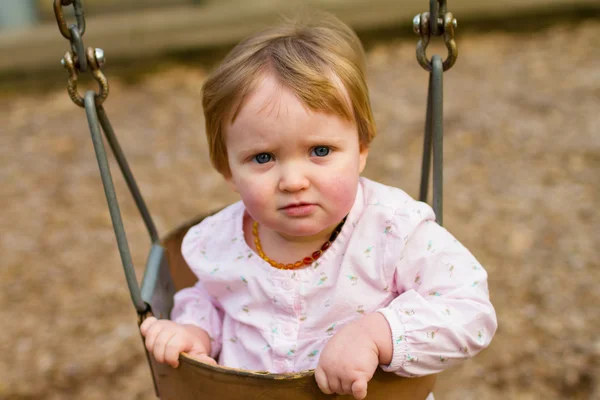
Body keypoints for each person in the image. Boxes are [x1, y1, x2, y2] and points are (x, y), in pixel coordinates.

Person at [140, 12, 497, 400]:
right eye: (263, 158)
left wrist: (377, 334)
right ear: (228, 170)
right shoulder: (217, 240)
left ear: (361, 149)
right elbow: (209, 297)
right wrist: (195, 333)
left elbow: (470, 311)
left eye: (320, 151)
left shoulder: (393, 229)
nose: (293, 181)